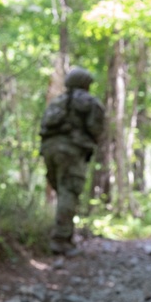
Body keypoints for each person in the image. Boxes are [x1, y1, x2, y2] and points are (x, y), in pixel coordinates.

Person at [39, 67, 106, 255]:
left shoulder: (57, 102)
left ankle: (61, 234)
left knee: (62, 191)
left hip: (49, 150)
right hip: (71, 151)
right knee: (69, 191)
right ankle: (61, 241)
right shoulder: (90, 103)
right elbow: (96, 128)